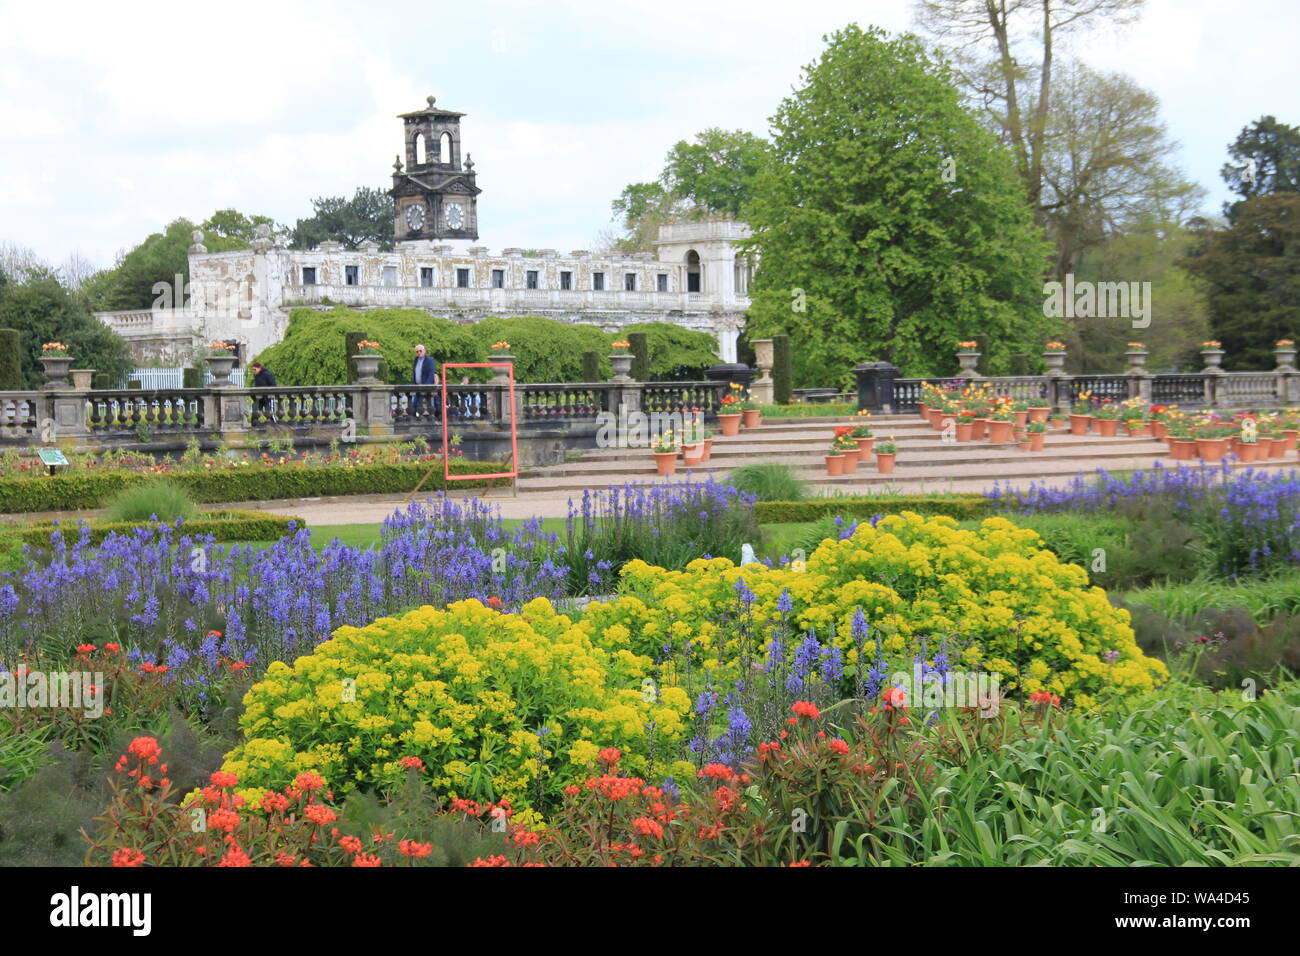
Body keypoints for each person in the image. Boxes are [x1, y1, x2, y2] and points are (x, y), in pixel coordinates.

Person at [412, 344, 439, 418]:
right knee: (414, 404)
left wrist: (426, 386)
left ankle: (439, 417)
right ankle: (412, 419)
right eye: (417, 351)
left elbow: (431, 373)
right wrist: (413, 384)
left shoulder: (429, 360)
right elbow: (414, 373)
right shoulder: (416, 360)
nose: (419, 353)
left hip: (428, 387)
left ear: (424, 351)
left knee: (434, 403)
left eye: (420, 351)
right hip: (418, 387)